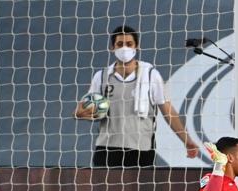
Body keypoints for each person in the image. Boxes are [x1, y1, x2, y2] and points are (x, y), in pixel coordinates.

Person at [74, 25, 198, 167]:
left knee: (140, 189)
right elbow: (83, 110)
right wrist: (83, 112)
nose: (124, 48)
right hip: (107, 149)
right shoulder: (101, 77)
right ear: (112, 48)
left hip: (141, 149)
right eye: (120, 44)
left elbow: (168, 112)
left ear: (136, 46)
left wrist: (187, 140)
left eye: (129, 44)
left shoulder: (151, 75)